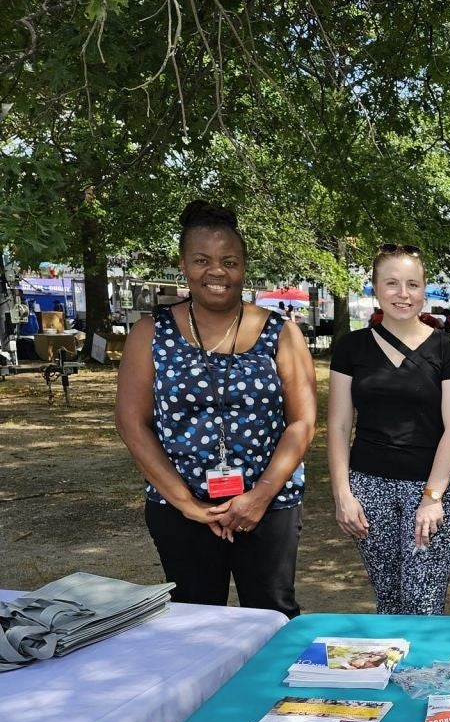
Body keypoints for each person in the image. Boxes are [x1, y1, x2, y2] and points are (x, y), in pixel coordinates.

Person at [115, 199, 316, 617]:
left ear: (244, 267)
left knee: (272, 617)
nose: (217, 271)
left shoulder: (282, 333)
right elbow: (133, 423)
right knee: (193, 620)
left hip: (269, 504)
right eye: (202, 260)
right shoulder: (151, 332)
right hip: (181, 507)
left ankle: (270, 688)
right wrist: (187, 503)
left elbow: (302, 422)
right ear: (184, 265)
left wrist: (259, 497)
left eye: (230, 261)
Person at [328, 243, 450, 615]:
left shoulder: (447, 349)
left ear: (424, 289)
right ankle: (388, 674)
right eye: (391, 283)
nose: (402, 294)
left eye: (412, 284)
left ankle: (422, 674)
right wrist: (343, 495)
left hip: (428, 489)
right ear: (375, 288)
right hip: (368, 489)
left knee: (422, 603)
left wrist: (433, 497)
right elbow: (340, 425)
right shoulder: (351, 348)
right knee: (389, 602)